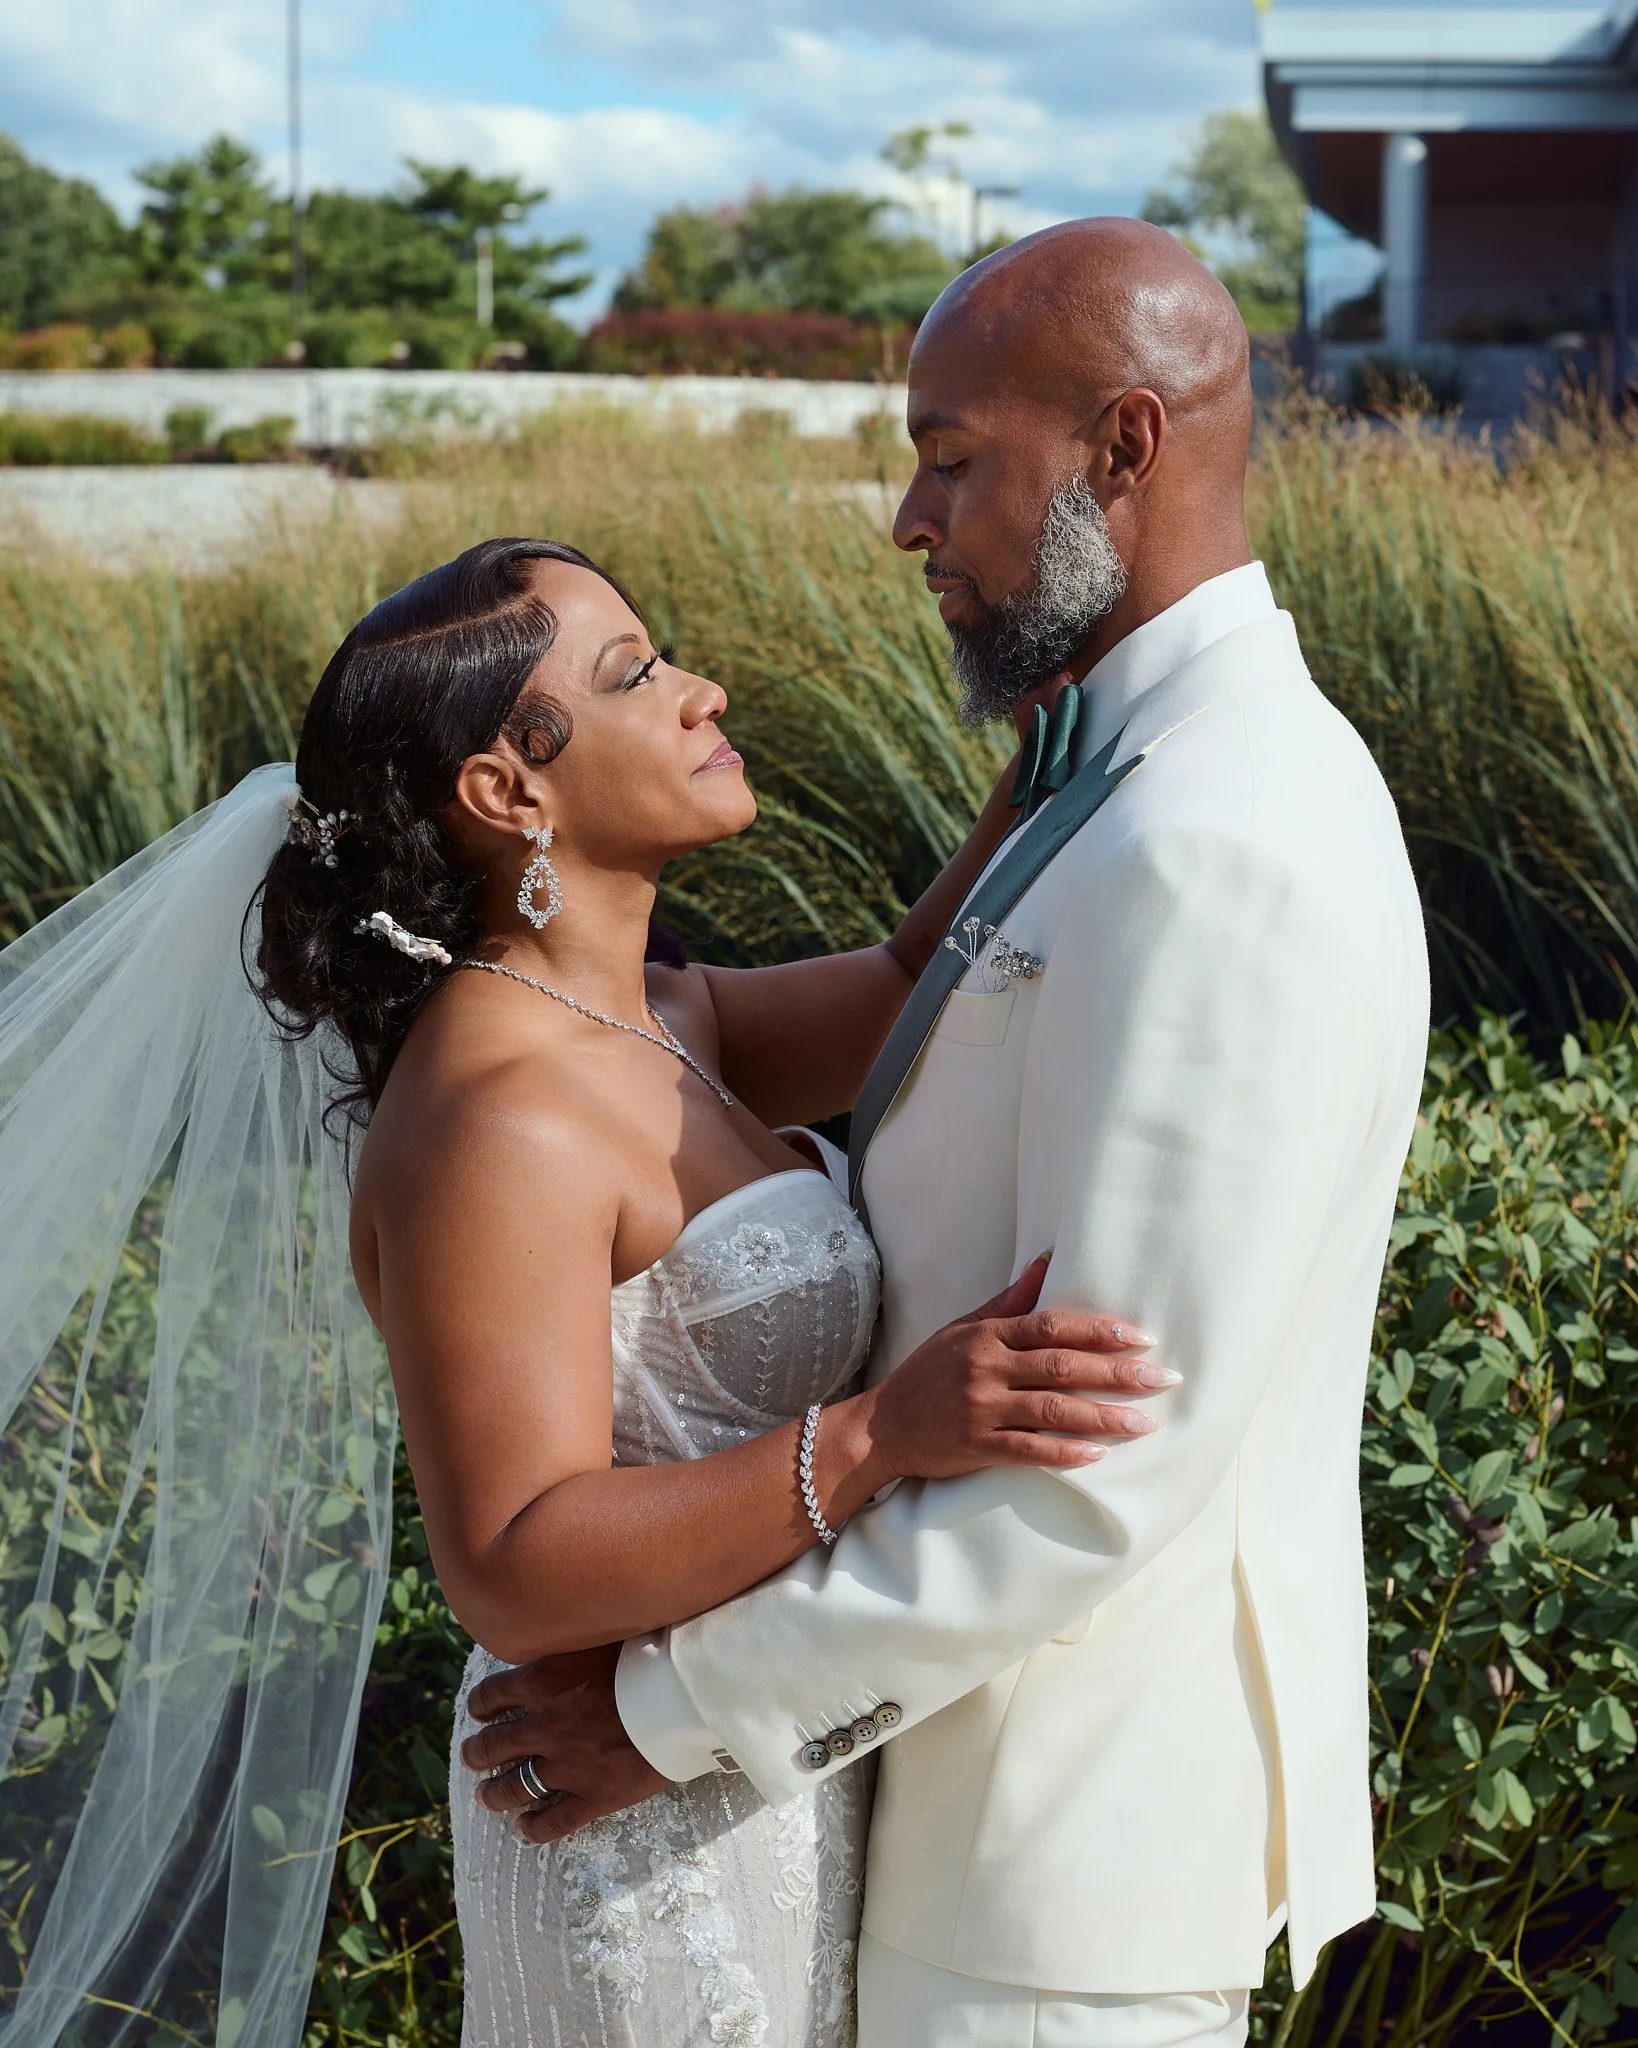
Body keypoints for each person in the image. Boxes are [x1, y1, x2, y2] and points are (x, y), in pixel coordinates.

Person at [463, 219, 1431, 2048]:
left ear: (1123, 448)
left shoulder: (1214, 839)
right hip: (939, 1830)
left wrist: (665, 1713)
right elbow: (910, 1002)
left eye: (950, 455)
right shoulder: (1133, 781)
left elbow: (1095, 1456)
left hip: (1049, 1874)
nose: (909, 519)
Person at [0, 532, 1166, 2048]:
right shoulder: (499, 1118)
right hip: (634, 1840)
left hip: (757, 1756)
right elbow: (508, 1553)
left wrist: (1055, 749)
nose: (702, 690)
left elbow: (903, 993)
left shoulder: (663, 1018)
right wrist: (882, 1435)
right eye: (635, 676)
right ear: (508, 791)